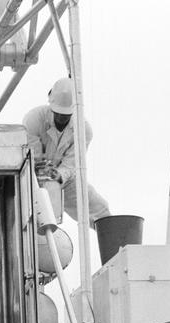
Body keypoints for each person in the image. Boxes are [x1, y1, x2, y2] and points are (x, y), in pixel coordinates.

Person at [22, 77, 111, 227]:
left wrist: (58, 176)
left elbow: (71, 164)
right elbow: (34, 158)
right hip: (32, 178)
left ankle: (116, 242)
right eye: (57, 113)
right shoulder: (33, 119)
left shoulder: (84, 130)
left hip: (65, 178)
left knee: (99, 209)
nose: (61, 117)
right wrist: (42, 170)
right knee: (27, 218)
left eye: (66, 114)